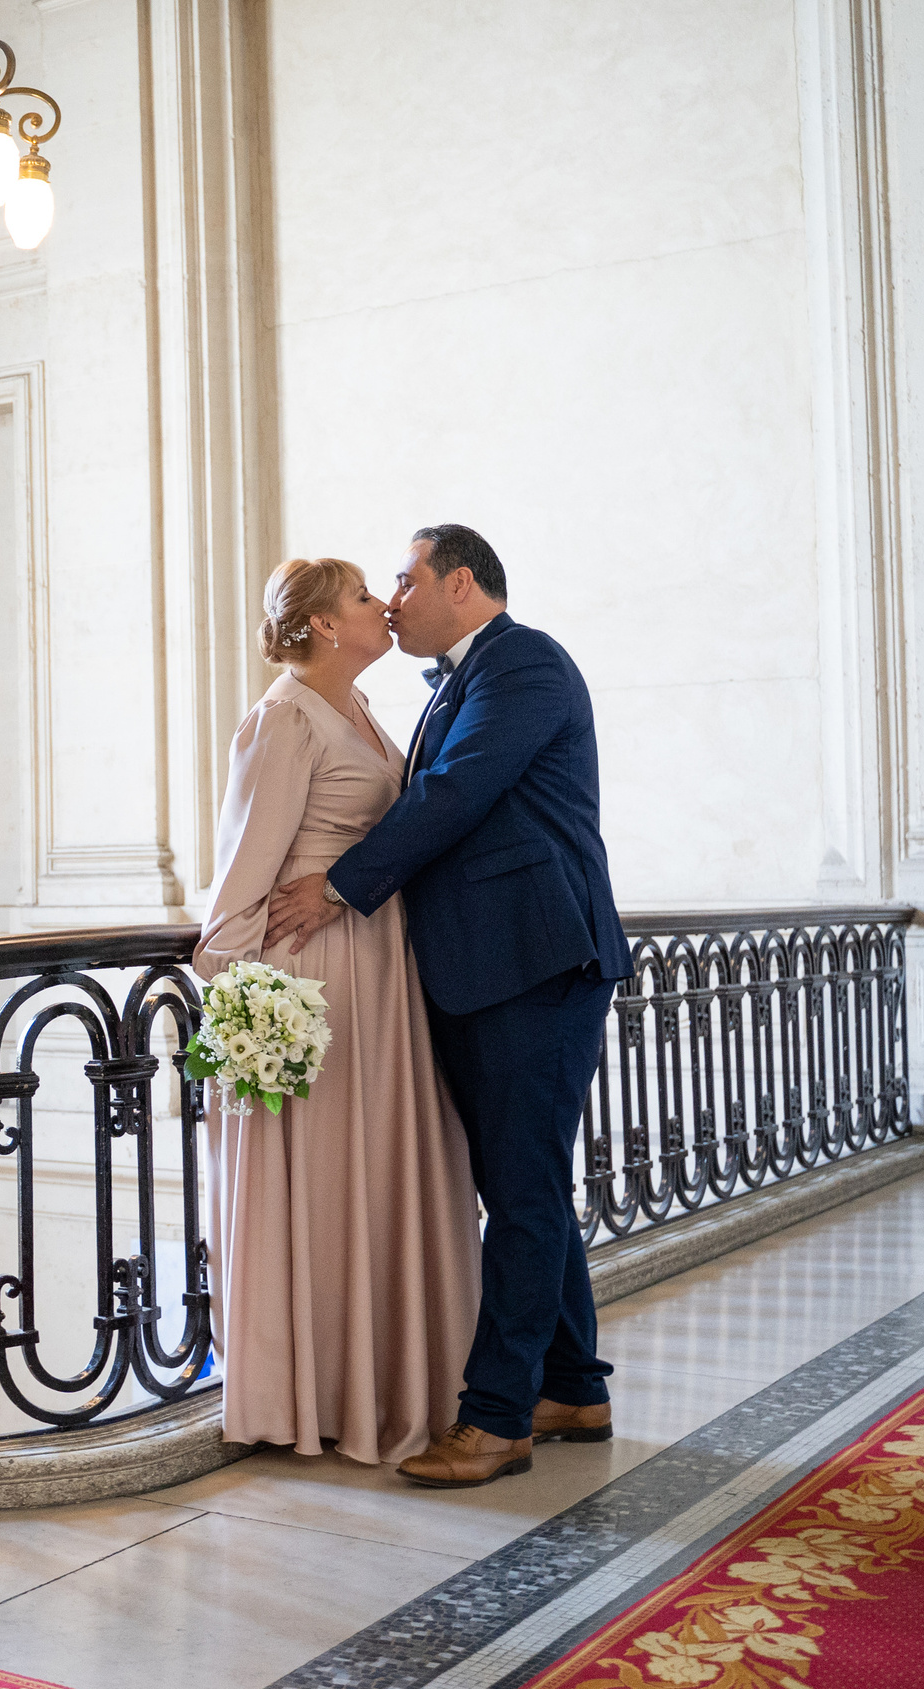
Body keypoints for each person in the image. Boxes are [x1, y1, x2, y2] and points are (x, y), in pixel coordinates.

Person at [264, 524, 630, 1489]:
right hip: (487, 966)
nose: (393, 597)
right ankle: (572, 1385)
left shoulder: (524, 663)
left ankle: (497, 1418)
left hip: (535, 962)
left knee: (522, 1190)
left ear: (460, 583)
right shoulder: (453, 683)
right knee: (526, 1183)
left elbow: (458, 793)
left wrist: (339, 884)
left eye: (407, 578)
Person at [194, 557, 481, 1466]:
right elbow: (245, 867)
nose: (384, 607)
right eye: (364, 595)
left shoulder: (359, 710)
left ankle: (383, 1379)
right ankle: (310, 1390)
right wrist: (238, 996)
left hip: (379, 967)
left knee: (378, 1165)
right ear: (321, 624)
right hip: (313, 972)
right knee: (321, 1177)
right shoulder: (282, 717)